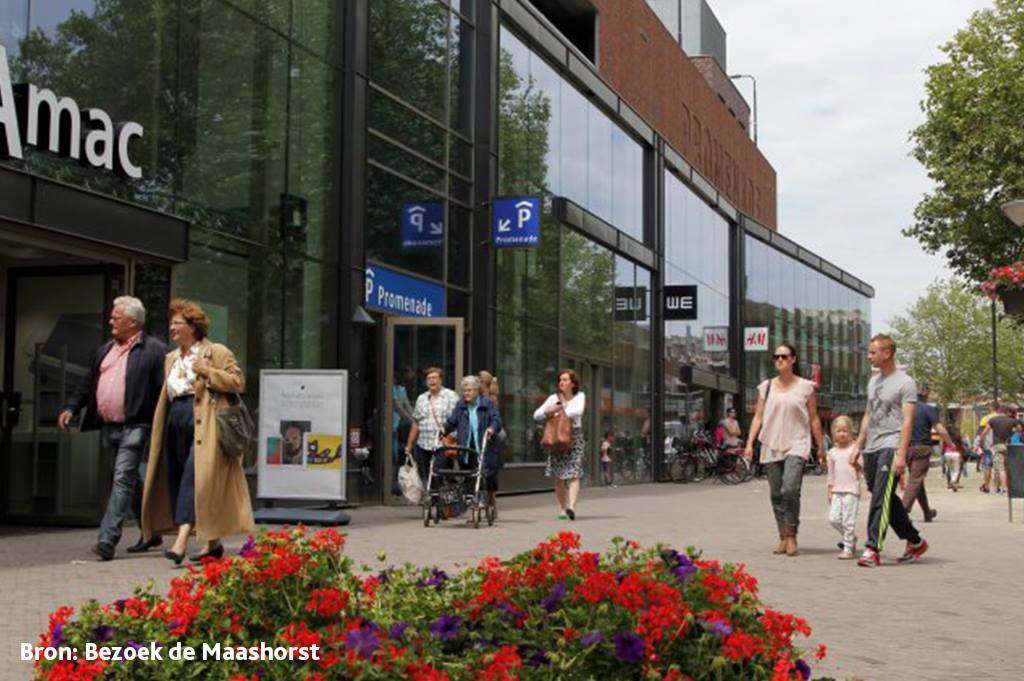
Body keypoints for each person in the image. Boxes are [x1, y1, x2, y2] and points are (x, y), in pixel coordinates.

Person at [141, 299, 254, 566]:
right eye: (171, 323)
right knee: (179, 477)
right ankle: (213, 546)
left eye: (177, 323)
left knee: (194, 478)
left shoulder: (216, 351)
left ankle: (180, 541)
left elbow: (238, 382)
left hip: (206, 422)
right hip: (175, 420)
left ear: (193, 327)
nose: (172, 327)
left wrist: (208, 372)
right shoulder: (170, 358)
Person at [58, 296, 167, 561]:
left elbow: (164, 392)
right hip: (110, 426)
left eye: (115, 318)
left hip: (137, 425)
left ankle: (107, 539)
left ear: (132, 322)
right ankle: (151, 532)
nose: (110, 322)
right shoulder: (105, 349)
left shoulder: (154, 350)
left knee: (121, 479)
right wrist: (72, 407)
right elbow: (88, 381)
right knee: (128, 480)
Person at [744, 342, 825, 557]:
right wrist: (750, 443)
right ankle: (782, 535)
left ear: (793, 359)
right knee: (775, 493)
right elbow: (758, 417)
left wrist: (821, 448)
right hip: (770, 443)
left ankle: (791, 534)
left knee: (789, 489)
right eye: (776, 357)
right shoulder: (766, 386)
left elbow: (814, 418)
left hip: (797, 442)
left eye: (784, 356)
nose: (779, 360)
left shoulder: (806, 387)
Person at [853, 334, 927, 567]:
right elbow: (868, 414)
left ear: (887, 353)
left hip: (891, 444)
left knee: (880, 498)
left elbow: (907, 422)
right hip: (872, 445)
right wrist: (858, 444)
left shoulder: (906, 383)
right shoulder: (873, 382)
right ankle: (915, 541)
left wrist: (901, 454)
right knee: (882, 495)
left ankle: (872, 548)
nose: (869, 356)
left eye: (872, 352)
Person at [534, 369, 587, 520]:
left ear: (573, 383)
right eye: (560, 380)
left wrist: (559, 410)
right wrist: (549, 410)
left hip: (574, 436)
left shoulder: (580, 396)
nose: (561, 382)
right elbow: (536, 414)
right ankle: (563, 507)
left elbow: (577, 412)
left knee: (574, 473)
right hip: (557, 438)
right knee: (559, 477)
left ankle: (571, 507)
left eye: (565, 380)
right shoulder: (553, 398)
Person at [441, 375, 503, 502]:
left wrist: (491, 428)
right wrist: (444, 429)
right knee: (470, 477)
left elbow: (496, 419)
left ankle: (491, 500)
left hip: (485, 446)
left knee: (488, 477)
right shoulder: (460, 406)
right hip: (467, 448)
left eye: (469, 390)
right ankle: (474, 505)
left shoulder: (487, 404)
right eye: (464, 390)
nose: (466, 393)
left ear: (476, 390)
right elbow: (452, 421)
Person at [904, 383, 952, 522]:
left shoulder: (905, 408)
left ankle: (927, 512)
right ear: (925, 393)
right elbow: (940, 429)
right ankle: (903, 509)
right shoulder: (929, 409)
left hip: (906, 448)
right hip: (922, 448)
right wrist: (951, 444)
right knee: (915, 479)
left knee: (917, 480)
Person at [404, 367, 459, 482]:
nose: (431, 381)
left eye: (434, 378)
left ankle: (442, 497)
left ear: (441, 380)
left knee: (437, 473)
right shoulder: (422, 398)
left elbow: (458, 420)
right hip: (423, 444)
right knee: (426, 476)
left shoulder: (451, 396)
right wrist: (409, 444)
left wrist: (453, 437)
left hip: (443, 444)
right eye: (428, 378)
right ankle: (435, 498)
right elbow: (416, 422)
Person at [827, 415, 861, 559]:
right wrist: (829, 488)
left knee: (848, 520)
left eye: (845, 431)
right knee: (833, 519)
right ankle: (851, 537)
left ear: (851, 432)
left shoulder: (854, 450)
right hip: (837, 489)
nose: (842, 434)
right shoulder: (832, 452)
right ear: (833, 433)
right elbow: (830, 473)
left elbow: (861, 469)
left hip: (851, 490)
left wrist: (857, 464)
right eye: (839, 431)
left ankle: (848, 547)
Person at [977, 405, 1017, 495]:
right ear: (1007, 412)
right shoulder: (1012, 421)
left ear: (999, 411)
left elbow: (985, 431)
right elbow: (1018, 430)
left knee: (1000, 468)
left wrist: (981, 441)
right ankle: (1007, 487)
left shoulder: (993, 420)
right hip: (1009, 446)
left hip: (997, 445)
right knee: (1007, 468)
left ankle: (1004, 489)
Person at [944, 424, 966, 492]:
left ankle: (949, 483)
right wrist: (962, 455)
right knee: (956, 470)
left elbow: (943, 446)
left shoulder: (946, 437)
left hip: (947, 454)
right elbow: (961, 447)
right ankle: (954, 482)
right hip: (956, 453)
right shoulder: (957, 437)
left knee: (950, 469)